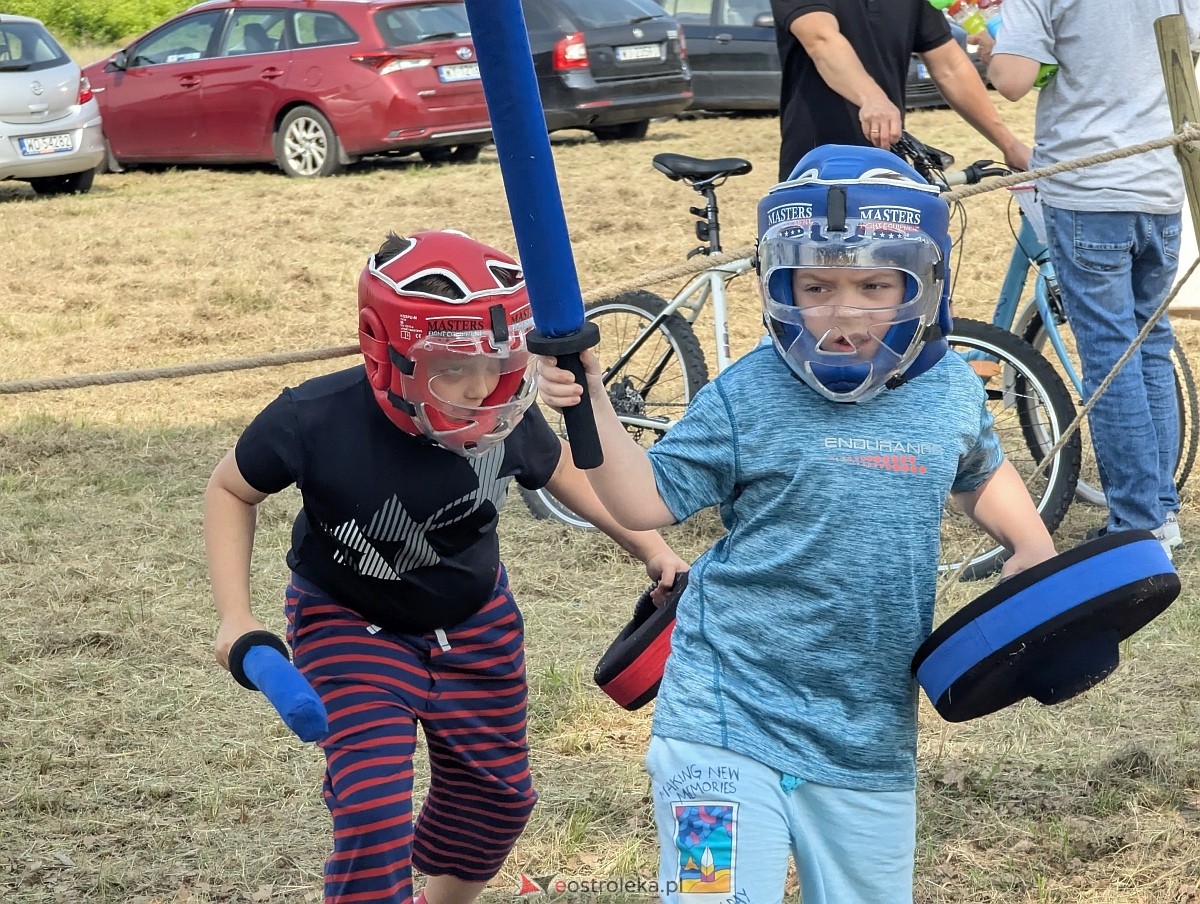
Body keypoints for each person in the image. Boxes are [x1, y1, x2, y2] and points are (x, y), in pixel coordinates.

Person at [536, 145, 1058, 903]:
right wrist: (591, 402)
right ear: (779, 284)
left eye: (875, 285)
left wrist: (1031, 541)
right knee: (709, 897)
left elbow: (977, 467)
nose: (843, 311)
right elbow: (643, 501)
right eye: (817, 286)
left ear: (926, 282)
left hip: (867, 741)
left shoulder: (949, 388)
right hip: (719, 723)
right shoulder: (746, 395)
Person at [203, 230, 688, 904]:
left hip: (477, 623)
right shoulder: (312, 419)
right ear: (386, 351)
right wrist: (235, 616)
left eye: (498, 363)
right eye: (453, 368)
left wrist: (651, 548)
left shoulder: (502, 414)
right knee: (371, 808)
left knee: (497, 802)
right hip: (351, 625)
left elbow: (563, 473)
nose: (481, 388)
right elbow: (230, 489)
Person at [986, 0, 1199, 555]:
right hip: (1160, 186)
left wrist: (988, 44)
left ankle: (1137, 521)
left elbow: (1011, 79)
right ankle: (1159, 512)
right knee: (1148, 347)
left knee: (1111, 357)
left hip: (1089, 189)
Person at [770, 0, 1031, 180]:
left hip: (888, 161)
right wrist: (872, 98)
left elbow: (950, 67)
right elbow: (821, 40)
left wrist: (1009, 145)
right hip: (814, 165)